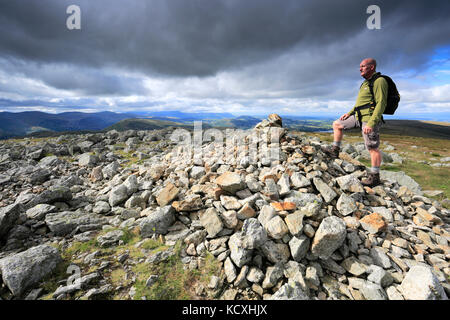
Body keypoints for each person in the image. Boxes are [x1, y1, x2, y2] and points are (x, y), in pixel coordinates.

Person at [322, 58, 388, 187]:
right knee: (337, 124)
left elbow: (381, 103)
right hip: (357, 116)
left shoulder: (380, 81)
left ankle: (375, 177)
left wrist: (371, 123)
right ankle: (335, 150)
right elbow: (361, 103)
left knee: (372, 148)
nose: (360, 68)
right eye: (360, 66)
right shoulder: (365, 83)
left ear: (372, 67)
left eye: (363, 66)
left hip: (369, 118)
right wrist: (350, 113)